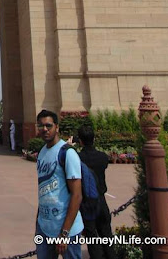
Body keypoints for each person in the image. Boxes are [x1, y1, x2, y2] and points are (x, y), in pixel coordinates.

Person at [35, 109, 83, 259]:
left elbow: (77, 195)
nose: (44, 129)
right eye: (41, 126)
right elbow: (43, 189)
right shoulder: (42, 152)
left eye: (48, 126)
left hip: (66, 228)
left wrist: (65, 233)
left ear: (57, 127)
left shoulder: (68, 153)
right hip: (44, 227)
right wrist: (38, 221)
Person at [77, 124, 116, 259]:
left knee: (92, 238)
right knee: (106, 234)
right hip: (101, 200)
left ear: (80, 141)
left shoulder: (78, 158)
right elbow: (104, 164)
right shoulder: (102, 157)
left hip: (87, 202)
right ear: (94, 139)